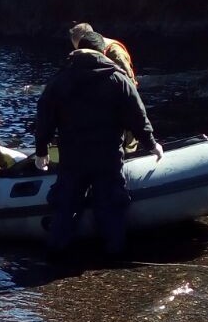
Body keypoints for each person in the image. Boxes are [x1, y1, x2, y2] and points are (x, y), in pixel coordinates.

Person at [34, 31, 163, 258]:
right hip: (107, 155)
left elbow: (45, 117)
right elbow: (137, 115)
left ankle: (55, 257)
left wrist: (41, 150)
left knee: (65, 206)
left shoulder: (60, 80)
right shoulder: (117, 78)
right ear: (103, 51)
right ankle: (114, 256)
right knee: (111, 206)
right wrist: (151, 144)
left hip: (73, 156)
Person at [69, 22, 139, 152]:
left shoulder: (115, 52)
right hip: (101, 112)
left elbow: (128, 86)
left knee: (127, 142)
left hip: (121, 109)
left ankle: (129, 154)